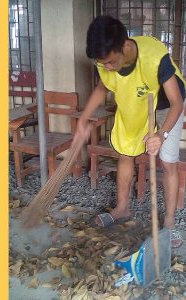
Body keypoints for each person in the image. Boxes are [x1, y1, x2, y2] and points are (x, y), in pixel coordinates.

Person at [75, 15, 185, 248]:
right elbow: (102, 87)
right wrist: (84, 118)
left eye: (111, 62)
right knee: (125, 153)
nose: (107, 68)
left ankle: (169, 224)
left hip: (166, 105)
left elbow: (177, 102)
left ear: (125, 47)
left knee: (167, 162)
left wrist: (160, 135)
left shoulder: (155, 57)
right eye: (102, 63)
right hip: (135, 99)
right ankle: (122, 208)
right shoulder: (106, 62)